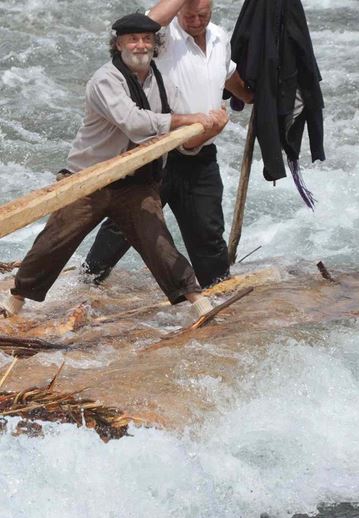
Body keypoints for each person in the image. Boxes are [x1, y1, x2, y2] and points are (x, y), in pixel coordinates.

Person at [0, 13, 224, 319]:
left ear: (155, 44)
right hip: (89, 180)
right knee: (53, 243)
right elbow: (134, 124)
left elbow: (178, 138)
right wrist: (191, 119)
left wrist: (207, 130)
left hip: (135, 186)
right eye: (133, 39)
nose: (141, 45)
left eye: (147, 39)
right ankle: (14, 302)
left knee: (159, 243)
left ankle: (200, 305)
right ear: (118, 44)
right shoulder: (105, 79)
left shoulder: (164, 82)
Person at [83, 0, 253, 288]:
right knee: (125, 226)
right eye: (190, 15)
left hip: (200, 153)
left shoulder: (219, 37)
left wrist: (252, 94)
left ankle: (218, 293)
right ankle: (87, 283)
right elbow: (151, 21)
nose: (197, 21)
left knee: (208, 232)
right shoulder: (164, 36)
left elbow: (227, 74)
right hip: (157, 151)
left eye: (203, 15)